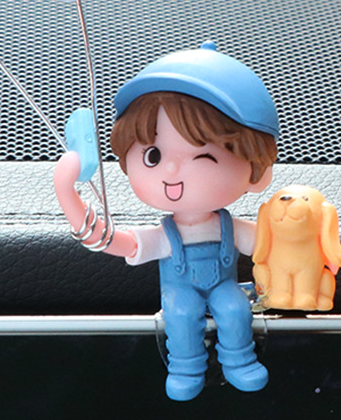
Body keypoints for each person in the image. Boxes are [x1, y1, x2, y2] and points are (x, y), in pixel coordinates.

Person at [54, 42, 278, 401]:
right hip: (179, 292)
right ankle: (186, 367)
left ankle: (239, 361)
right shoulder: (164, 235)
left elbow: (270, 244)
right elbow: (113, 241)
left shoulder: (231, 228)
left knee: (236, 308)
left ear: (257, 171)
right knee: (181, 312)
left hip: (224, 286)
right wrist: (68, 194)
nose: (171, 170)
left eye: (203, 156)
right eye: (153, 155)